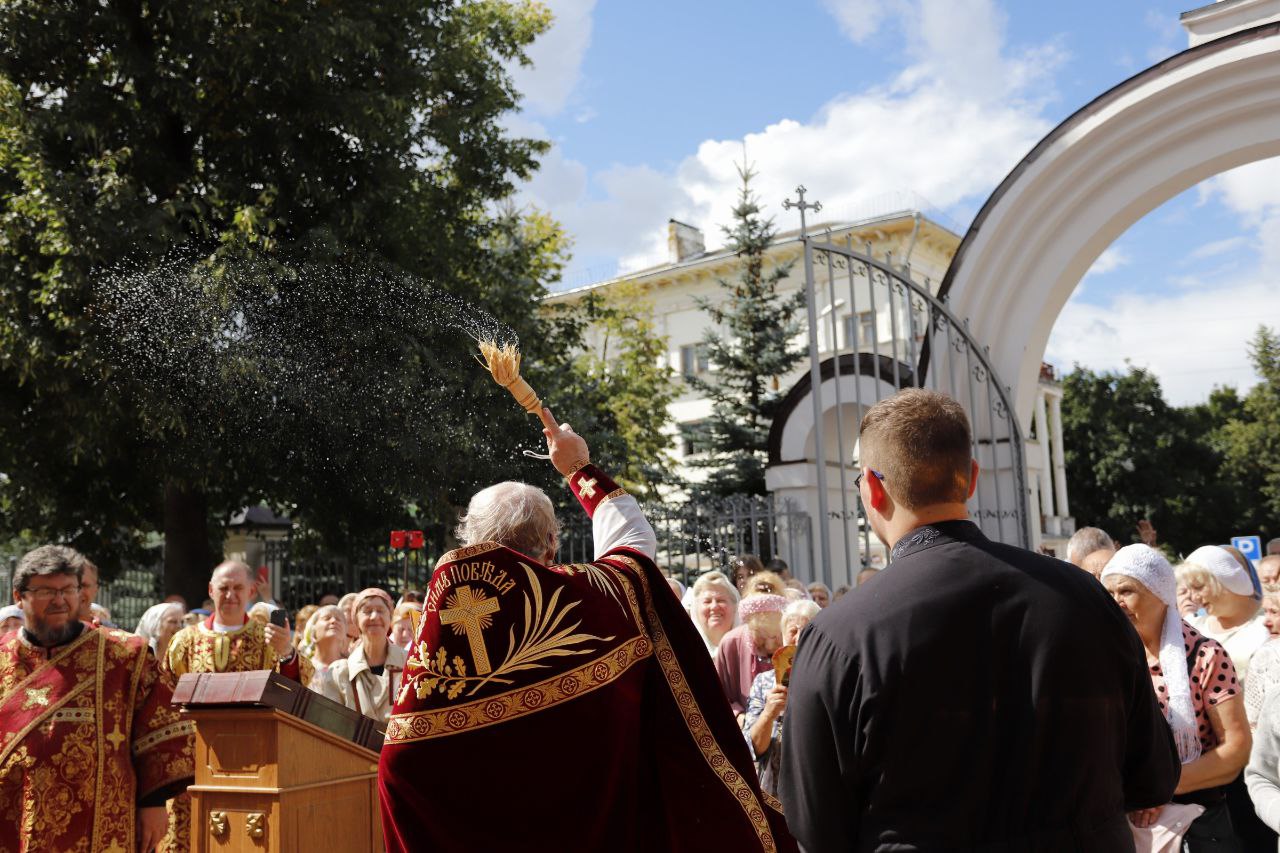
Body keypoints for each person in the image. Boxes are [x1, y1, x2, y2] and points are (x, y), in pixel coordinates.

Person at [779, 389, 1180, 852]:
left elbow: (815, 826)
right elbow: (1152, 776)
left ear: (871, 488)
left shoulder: (839, 635)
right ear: (970, 479)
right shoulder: (1087, 598)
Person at [379, 407, 795, 853]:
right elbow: (634, 546)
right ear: (552, 541)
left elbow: (401, 763)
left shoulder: (446, 618)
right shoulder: (590, 601)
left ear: (470, 541)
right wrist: (578, 467)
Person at [1, 545, 194, 853]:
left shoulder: (124, 655)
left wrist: (154, 803)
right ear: (19, 596)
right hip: (14, 816)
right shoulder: (1, 658)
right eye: (47, 591)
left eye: (68, 589)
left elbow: (161, 730)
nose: (60, 601)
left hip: (105, 823)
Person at [1102, 545, 1252, 848]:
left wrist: (1158, 789)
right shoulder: (1108, 657)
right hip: (1124, 824)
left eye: (1126, 591)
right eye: (1109, 593)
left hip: (1196, 828)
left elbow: (1236, 749)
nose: (1117, 602)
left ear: (1160, 593)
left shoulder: (1204, 656)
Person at [164, 560, 313, 685]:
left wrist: (286, 652)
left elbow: (298, 687)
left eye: (238, 588)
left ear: (251, 591)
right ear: (211, 590)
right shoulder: (183, 641)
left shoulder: (269, 639)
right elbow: (168, 694)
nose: (230, 595)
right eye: (223, 588)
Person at [744, 600, 820, 796]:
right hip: (775, 789)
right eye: (793, 631)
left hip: (817, 784)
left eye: (808, 630)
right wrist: (769, 713)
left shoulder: (830, 677)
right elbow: (752, 748)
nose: (799, 637)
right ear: (783, 636)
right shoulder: (763, 682)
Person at [317, 588, 406, 723]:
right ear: (356, 619)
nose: (374, 616)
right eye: (367, 611)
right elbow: (331, 725)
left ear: (390, 617)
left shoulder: (411, 664)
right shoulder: (338, 674)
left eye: (381, 610)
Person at [1182, 545, 1269, 683]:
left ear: (1226, 580)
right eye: (1189, 589)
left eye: (1198, 587)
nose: (1194, 598)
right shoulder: (1193, 627)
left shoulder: (1269, 625)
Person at [715, 593, 786, 718]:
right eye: (761, 635)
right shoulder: (731, 642)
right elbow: (717, 694)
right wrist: (737, 715)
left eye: (775, 636)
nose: (769, 645)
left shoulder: (791, 640)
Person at [690, 570, 739, 656]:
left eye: (721, 601)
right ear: (695, 610)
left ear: (735, 607)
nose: (714, 607)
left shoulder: (750, 649)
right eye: (707, 601)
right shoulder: (684, 650)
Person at [304, 604, 349, 684]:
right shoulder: (303, 669)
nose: (333, 621)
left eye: (338, 619)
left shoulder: (353, 669)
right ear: (313, 632)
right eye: (326, 618)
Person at [76, 556, 100, 622]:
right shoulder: (46, 631)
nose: (78, 593)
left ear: (95, 590)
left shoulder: (109, 632)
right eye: (71, 586)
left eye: (84, 585)